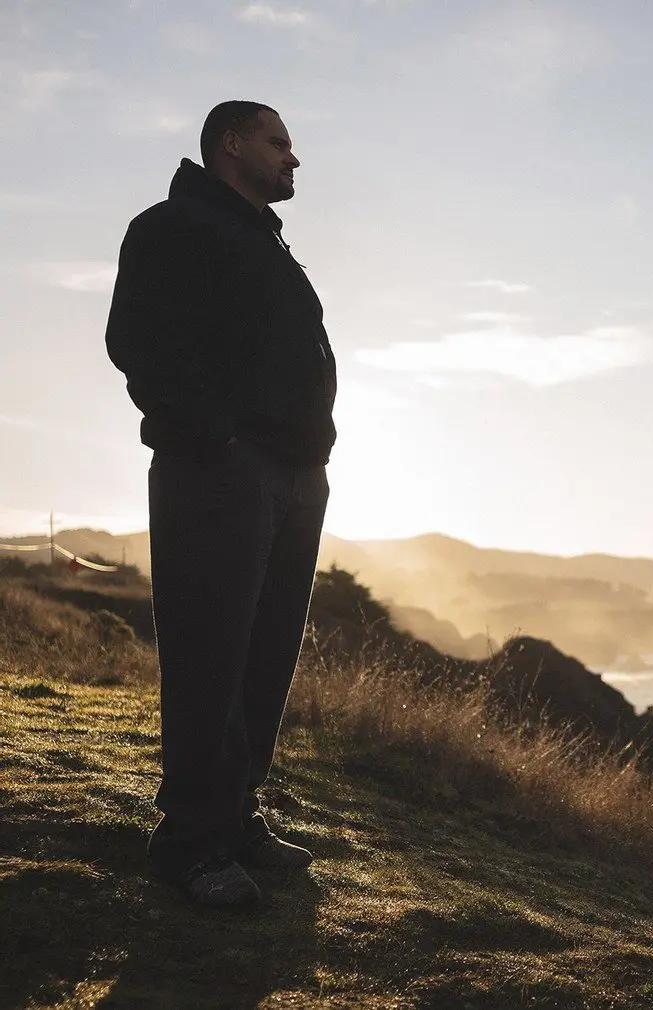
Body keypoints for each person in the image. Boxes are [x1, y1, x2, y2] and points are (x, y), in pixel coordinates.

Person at [106, 101, 337, 908]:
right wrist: (221, 441)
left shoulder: (264, 244)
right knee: (211, 654)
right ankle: (190, 846)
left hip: (294, 476)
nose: (293, 158)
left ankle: (235, 817)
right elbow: (141, 341)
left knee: (264, 655)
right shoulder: (174, 226)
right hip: (220, 473)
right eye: (279, 142)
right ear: (230, 144)